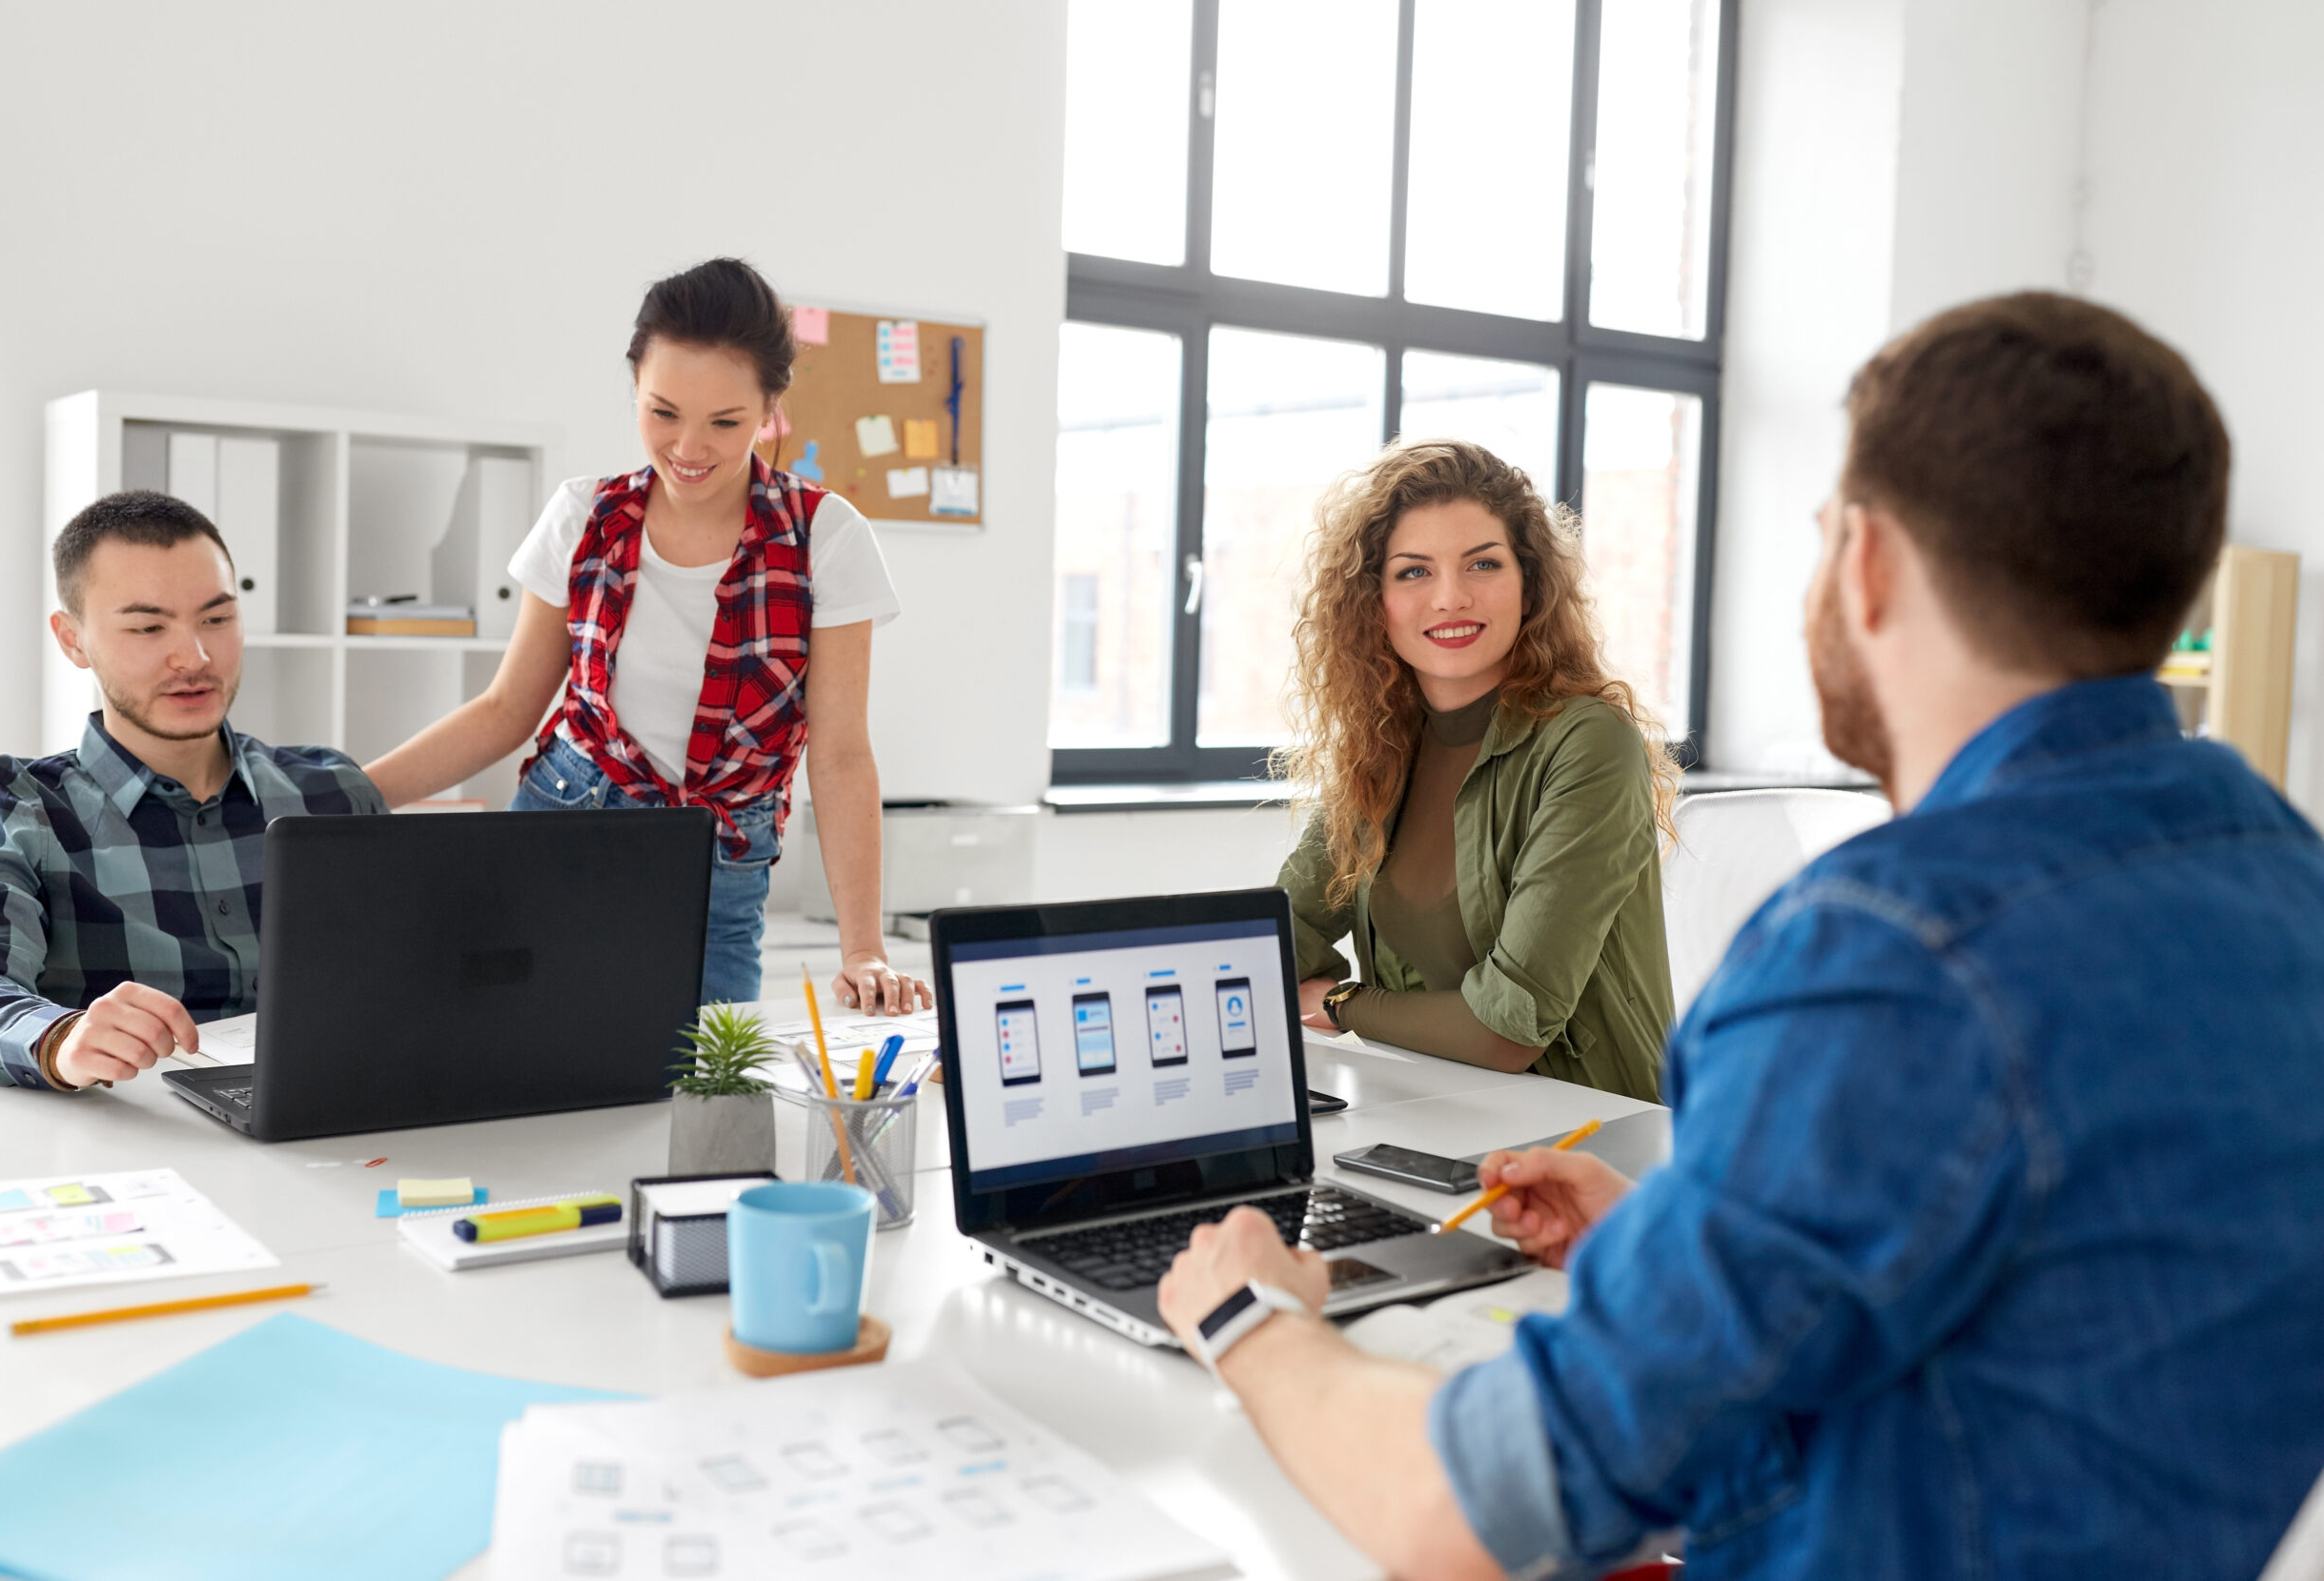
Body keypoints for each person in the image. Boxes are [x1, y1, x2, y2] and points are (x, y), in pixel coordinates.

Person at [1158, 294, 2324, 1579]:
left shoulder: (1886, 953)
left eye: (1823, 537)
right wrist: (1681, 1227)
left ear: (1868, 562)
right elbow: (2047, 1288)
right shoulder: (2282, 875)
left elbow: (1464, 1509)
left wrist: (1244, 1313)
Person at [364, 258, 926, 1014]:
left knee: (694, 1103)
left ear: (770, 407)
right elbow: (505, 711)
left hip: (717, 874)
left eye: (725, 422)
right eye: (663, 412)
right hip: (558, 832)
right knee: (513, 1076)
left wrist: (863, 949)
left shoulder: (826, 538)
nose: (689, 448)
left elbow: (841, 753)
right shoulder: (582, 515)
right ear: (634, 384)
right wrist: (346, 796)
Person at [0, 493, 385, 1090]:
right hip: (129, 1146)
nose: (194, 657)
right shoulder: (16, 808)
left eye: (217, 619)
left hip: (340, 1131)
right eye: (147, 626)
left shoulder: (334, 793)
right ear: (73, 640)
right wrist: (59, 1038)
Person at [1276, 438, 1675, 1101]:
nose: (1451, 597)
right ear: (1373, 600)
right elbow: (1285, 932)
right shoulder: (1380, 749)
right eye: (1413, 571)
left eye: (1482, 563)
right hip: (1427, 1116)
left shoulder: (1588, 745)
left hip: (1586, 1141)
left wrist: (1344, 1001)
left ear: (1530, 586)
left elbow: (1508, 1028)